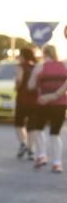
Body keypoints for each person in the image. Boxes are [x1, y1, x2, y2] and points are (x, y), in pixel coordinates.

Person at [27, 43, 67, 172]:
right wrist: (56, 95)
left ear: (44, 54)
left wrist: (47, 93)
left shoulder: (40, 67)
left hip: (43, 102)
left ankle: (42, 156)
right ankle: (57, 163)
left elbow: (30, 86)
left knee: (38, 129)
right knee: (55, 134)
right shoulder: (64, 65)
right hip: (60, 104)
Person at [13, 46, 38, 160]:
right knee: (32, 126)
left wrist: (16, 87)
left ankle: (23, 144)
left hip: (22, 99)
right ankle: (31, 150)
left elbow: (19, 79)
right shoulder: (35, 67)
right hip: (34, 100)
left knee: (19, 123)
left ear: (23, 56)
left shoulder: (20, 67)